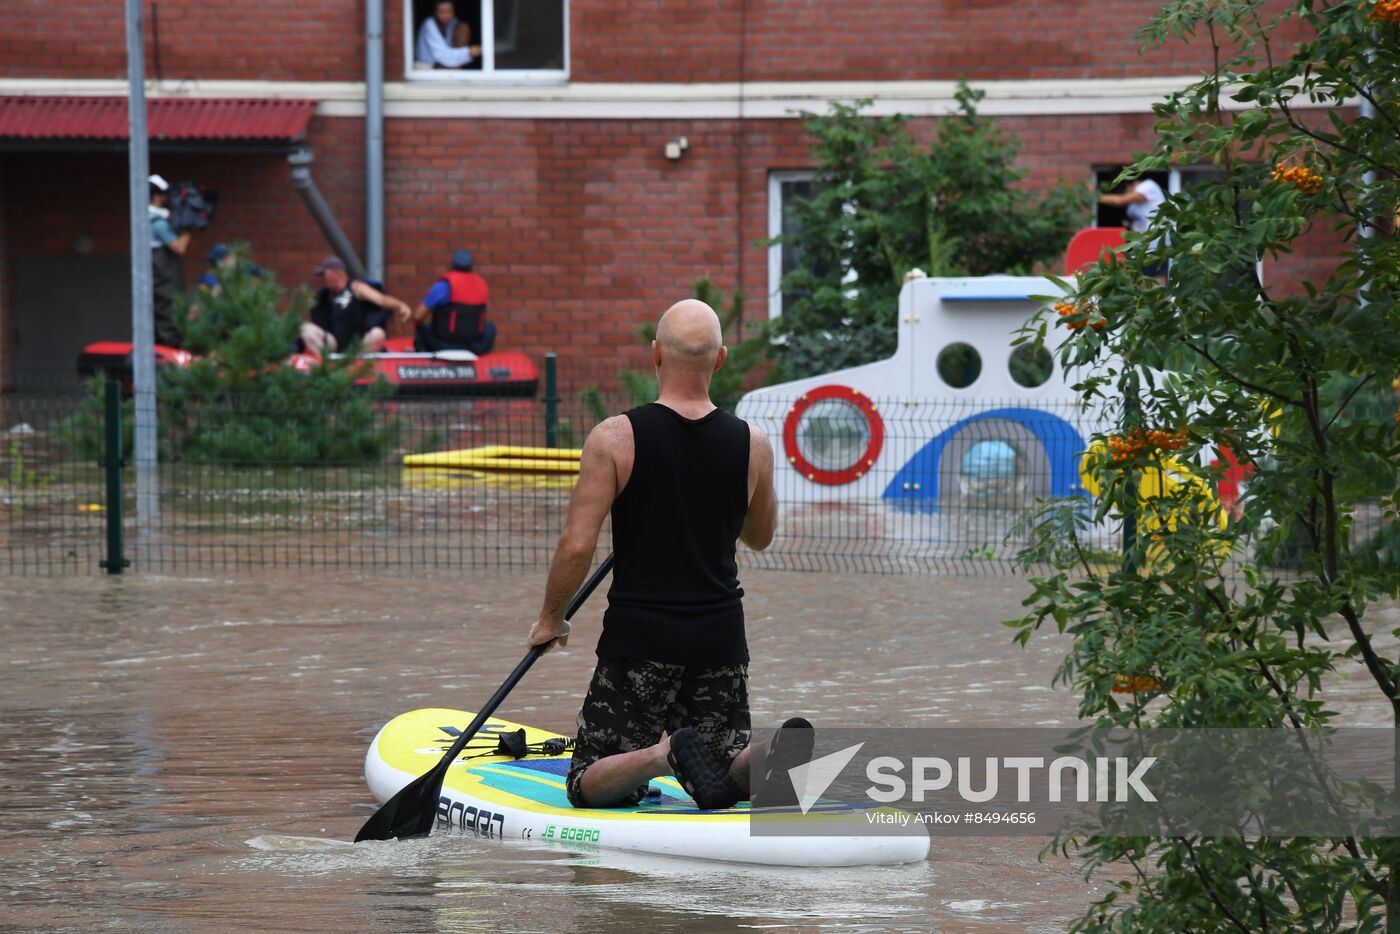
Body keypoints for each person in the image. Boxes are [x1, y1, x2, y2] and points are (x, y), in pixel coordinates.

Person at [526, 299, 794, 812]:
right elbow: (760, 537)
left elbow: (577, 544)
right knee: (721, 768)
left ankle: (661, 755)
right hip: (720, 636)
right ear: (720, 360)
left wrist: (551, 618)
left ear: (655, 354)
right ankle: (766, 756)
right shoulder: (752, 443)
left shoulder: (615, 438)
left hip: (641, 639)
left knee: (585, 784)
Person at [301, 257, 412, 355]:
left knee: (378, 333)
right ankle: (327, 365)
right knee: (305, 328)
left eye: (323, 274)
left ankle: (358, 365)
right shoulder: (323, 296)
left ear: (336, 272)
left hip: (360, 346)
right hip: (334, 344)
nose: (322, 278)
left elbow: (382, 300)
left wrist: (400, 305)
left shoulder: (356, 287)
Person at [413, 249, 495, 354]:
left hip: (443, 344)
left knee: (423, 328)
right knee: (489, 328)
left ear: (452, 265)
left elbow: (418, 316)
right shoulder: (482, 285)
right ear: (472, 267)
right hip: (474, 346)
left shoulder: (443, 286)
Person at [149, 174, 193, 348]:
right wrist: (189, 228)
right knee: (168, 310)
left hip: (159, 275)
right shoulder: (157, 222)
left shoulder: (146, 217)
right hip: (163, 276)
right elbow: (179, 247)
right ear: (156, 196)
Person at [1099, 176, 1167, 278]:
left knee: (1153, 279)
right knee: (1139, 278)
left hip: (1153, 245)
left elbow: (1120, 201)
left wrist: (1096, 196)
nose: (1126, 193)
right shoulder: (1134, 204)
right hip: (1139, 246)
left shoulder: (1147, 186)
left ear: (1131, 183)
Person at [414, 0, 480, 70]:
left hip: (442, 64)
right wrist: (469, 52)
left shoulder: (453, 22)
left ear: (454, 11)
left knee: (463, 27)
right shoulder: (429, 24)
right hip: (425, 68)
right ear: (435, 12)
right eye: (442, 12)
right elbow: (442, 55)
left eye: (449, 11)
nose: (446, 16)